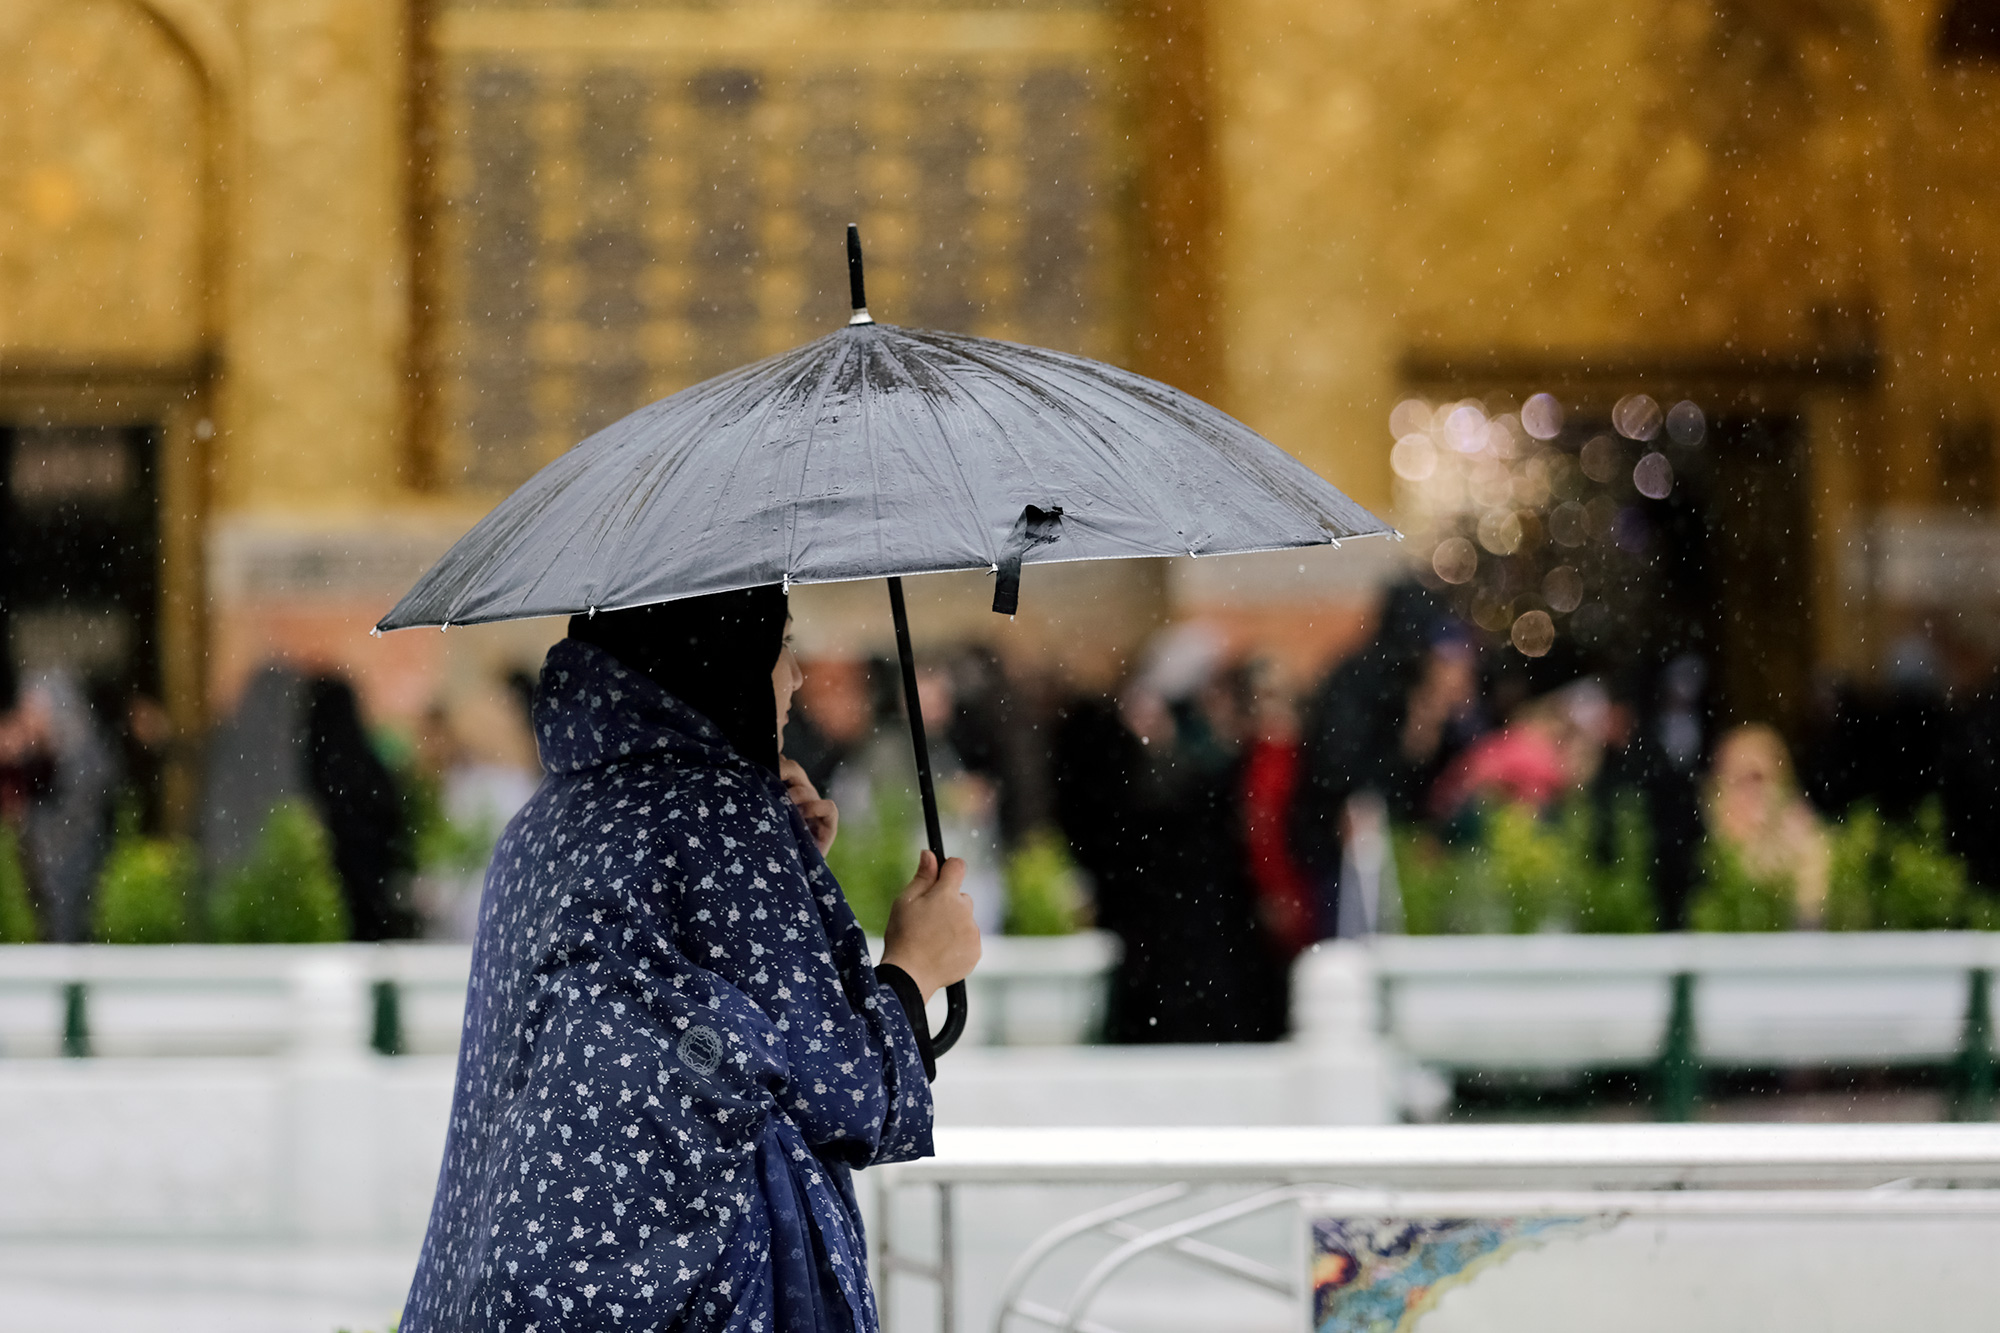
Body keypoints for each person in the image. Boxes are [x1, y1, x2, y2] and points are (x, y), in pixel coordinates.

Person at [402, 586, 980, 1333]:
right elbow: (840, 1089)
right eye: (781, 644)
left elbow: (678, 1017)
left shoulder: (543, 823)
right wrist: (915, 965)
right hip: (691, 1293)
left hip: (519, 1283)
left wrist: (786, 872)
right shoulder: (717, 810)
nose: (796, 675)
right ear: (723, 658)